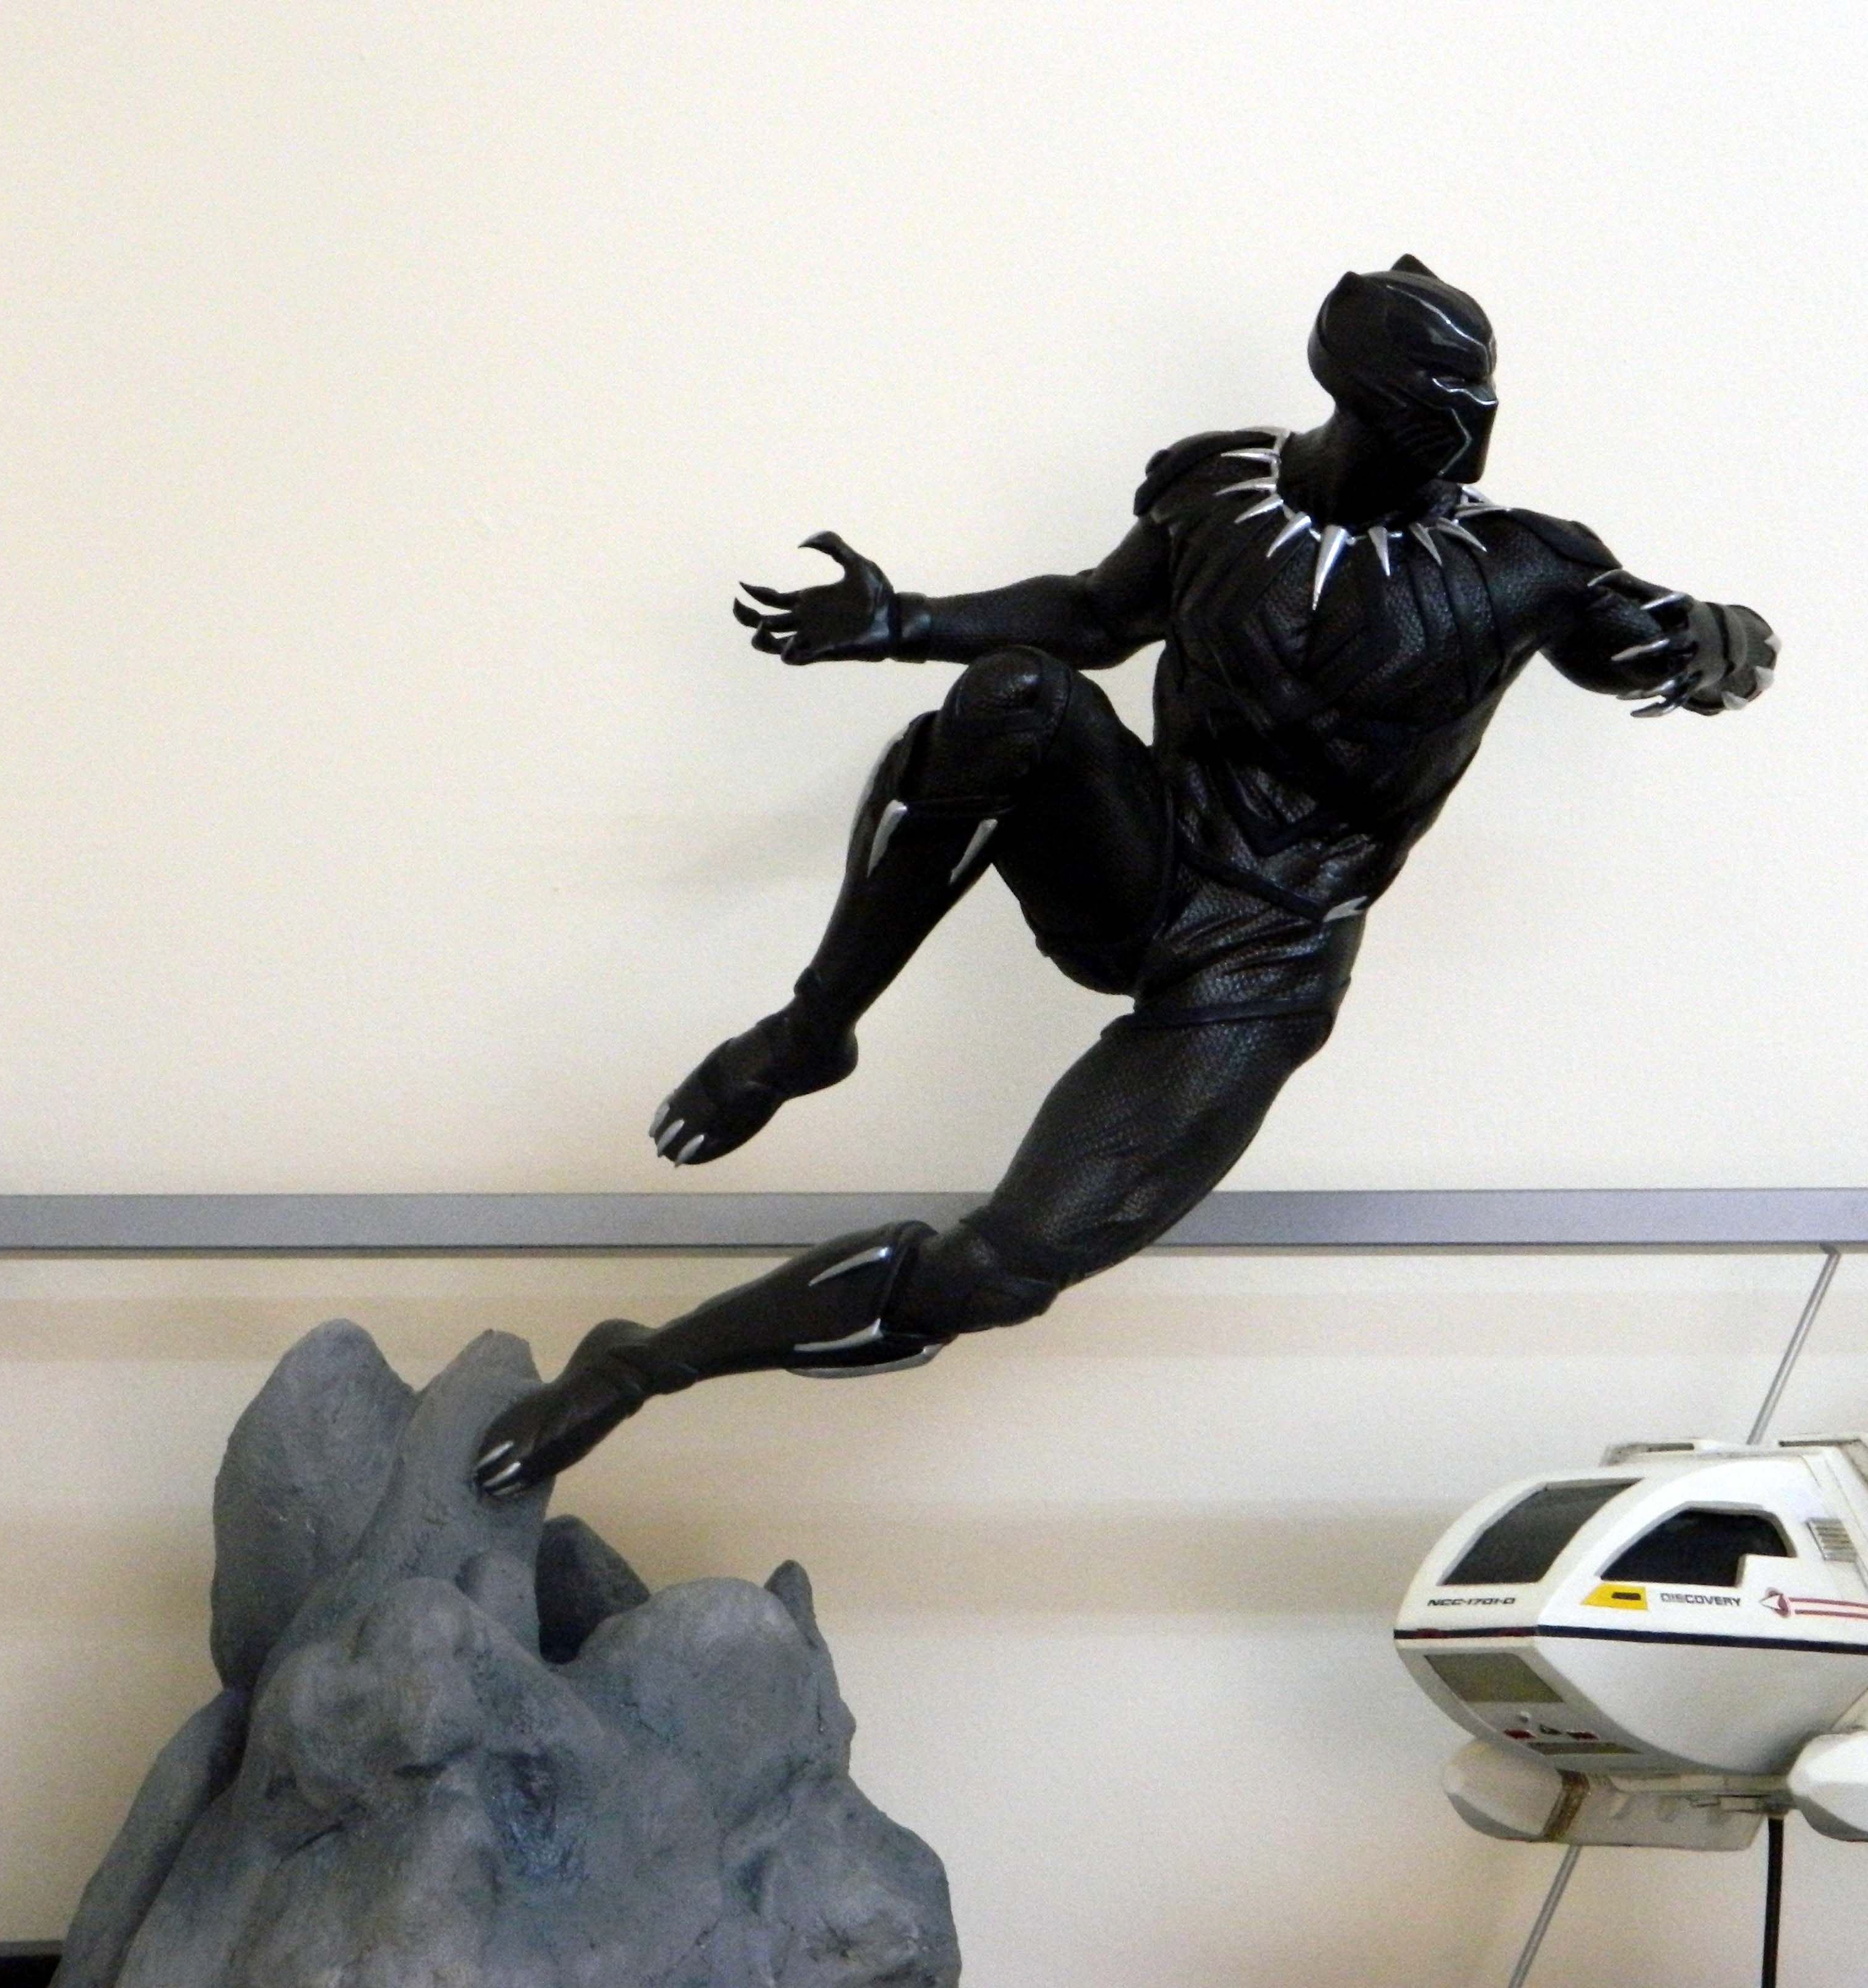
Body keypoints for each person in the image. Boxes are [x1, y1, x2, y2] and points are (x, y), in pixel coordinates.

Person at [474, 257, 1775, 1498]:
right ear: (1355, 390)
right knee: (1016, 697)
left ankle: (637, 1367)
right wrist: (903, 623)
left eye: (1478, 398)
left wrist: (1720, 644)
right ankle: (812, 1030)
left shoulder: (1528, 569)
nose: (1469, 429)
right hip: (1142, 865)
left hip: (1264, 963)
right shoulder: (1220, 488)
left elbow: (1679, 642)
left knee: (1002, 1266)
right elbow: (1096, 617)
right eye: (1438, 400)